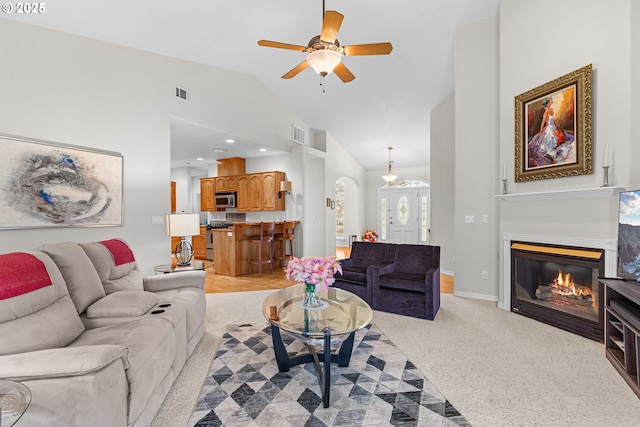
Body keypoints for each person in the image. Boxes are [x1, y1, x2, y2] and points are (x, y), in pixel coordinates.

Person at [527, 97, 575, 167]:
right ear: (548, 103)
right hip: (549, 128)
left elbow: (553, 121)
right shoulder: (546, 111)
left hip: (553, 126)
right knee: (550, 139)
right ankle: (549, 150)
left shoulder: (551, 110)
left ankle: (554, 148)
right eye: (550, 101)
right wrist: (540, 132)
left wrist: (557, 128)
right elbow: (543, 123)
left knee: (559, 136)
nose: (552, 101)